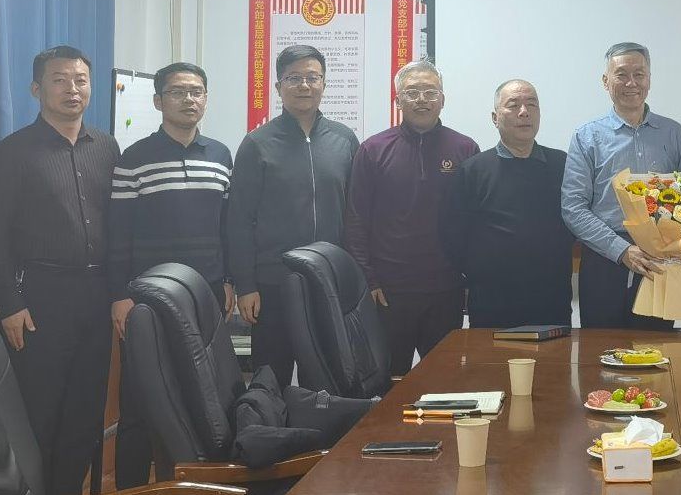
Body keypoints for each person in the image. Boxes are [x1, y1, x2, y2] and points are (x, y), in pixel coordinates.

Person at [0, 46, 120, 495]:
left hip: (97, 295)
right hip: (40, 298)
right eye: (60, 80)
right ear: (36, 89)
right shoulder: (13, 152)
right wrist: (9, 304)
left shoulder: (107, 148)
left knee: (85, 410)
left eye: (80, 80)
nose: (72, 89)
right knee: (40, 411)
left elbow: (118, 225)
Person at [107, 62, 232, 495]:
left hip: (204, 298)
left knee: (200, 401)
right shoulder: (134, 158)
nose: (189, 99)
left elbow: (226, 226)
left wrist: (228, 280)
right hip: (148, 302)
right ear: (158, 100)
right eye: (178, 92)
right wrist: (120, 295)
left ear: (207, 99)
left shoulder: (220, 155)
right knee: (140, 406)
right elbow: (118, 234)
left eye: (197, 91)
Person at [227, 45, 358, 386]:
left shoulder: (344, 140)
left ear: (324, 84)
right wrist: (246, 285)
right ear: (278, 86)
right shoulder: (257, 143)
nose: (304, 85)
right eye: (294, 78)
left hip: (328, 282)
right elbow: (239, 220)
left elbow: (355, 214)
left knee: (328, 381)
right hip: (274, 283)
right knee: (271, 382)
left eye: (313, 77)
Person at [346, 60, 478, 373]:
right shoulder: (373, 150)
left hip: (446, 290)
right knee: (388, 381)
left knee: (443, 380)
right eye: (412, 92)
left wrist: (472, 279)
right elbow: (356, 220)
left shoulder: (465, 149)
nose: (422, 99)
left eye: (430, 92)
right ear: (398, 100)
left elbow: (475, 223)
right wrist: (368, 280)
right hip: (388, 292)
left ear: (443, 99)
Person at [563, 42, 681, 329]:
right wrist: (621, 250)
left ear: (649, 79)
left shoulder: (673, 133)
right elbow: (573, 207)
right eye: (621, 74)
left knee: (658, 349)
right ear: (605, 81)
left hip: (660, 261)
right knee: (601, 350)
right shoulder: (587, 136)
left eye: (639, 74)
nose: (631, 83)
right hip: (604, 259)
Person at [439, 79, 572, 328]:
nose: (524, 112)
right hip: (492, 302)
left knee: (554, 355)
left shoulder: (562, 164)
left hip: (551, 299)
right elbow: (452, 233)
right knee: (490, 355)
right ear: (495, 117)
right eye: (513, 105)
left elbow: (576, 222)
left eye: (532, 104)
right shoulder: (474, 169)